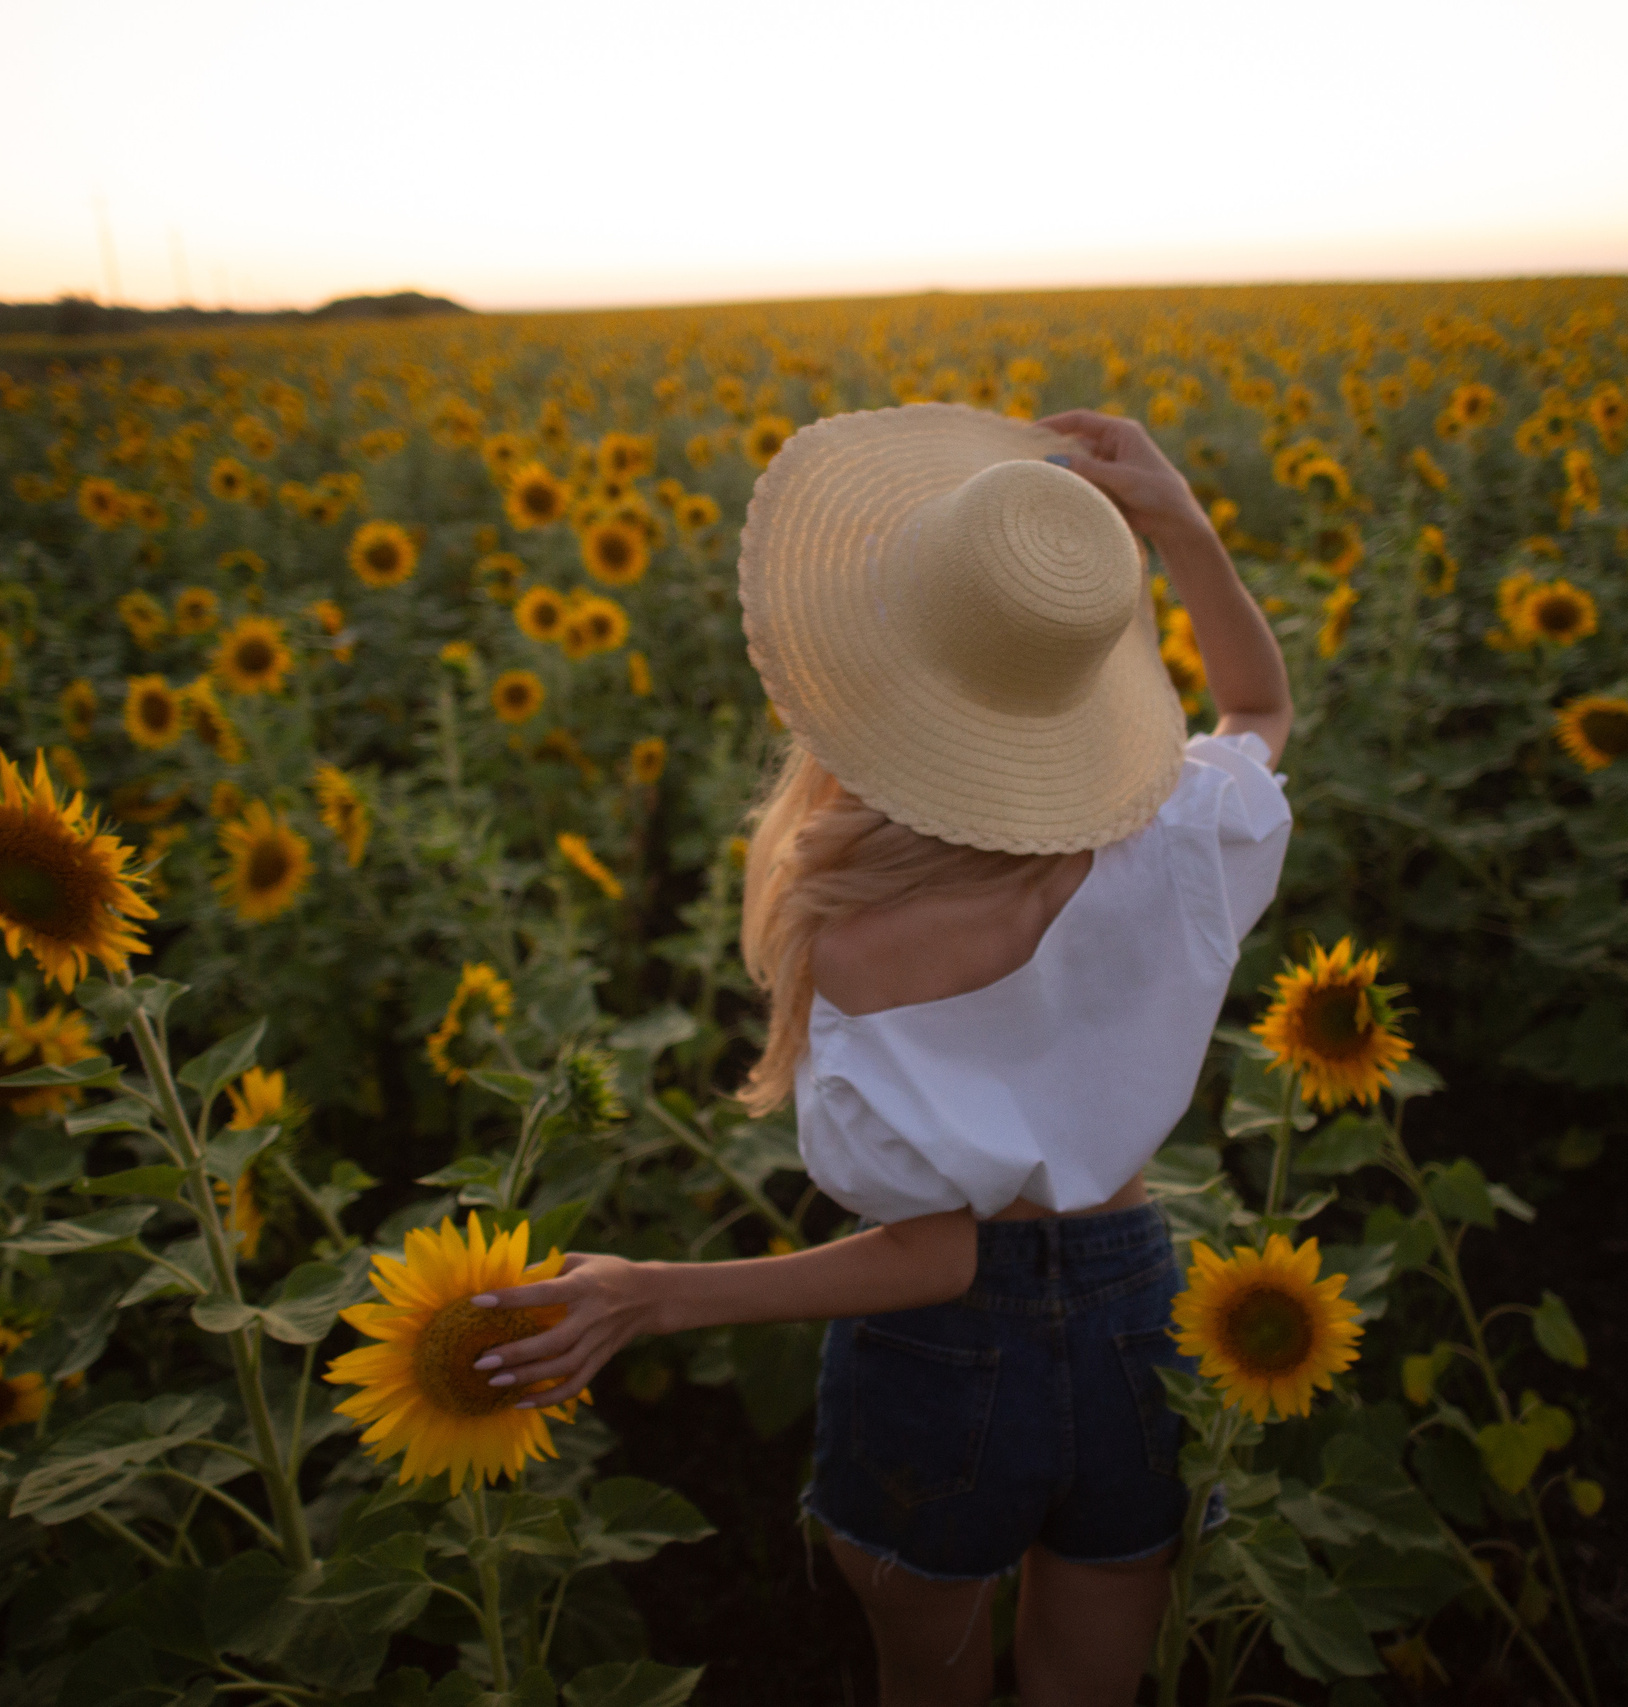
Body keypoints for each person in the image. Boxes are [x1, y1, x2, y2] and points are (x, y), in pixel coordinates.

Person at [471, 403, 1294, 1707]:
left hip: (941, 1365)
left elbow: (936, 1256)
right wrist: (1184, 526)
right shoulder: (1186, 834)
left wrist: (653, 1293)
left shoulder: (861, 937)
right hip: (1138, 1314)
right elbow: (1259, 704)